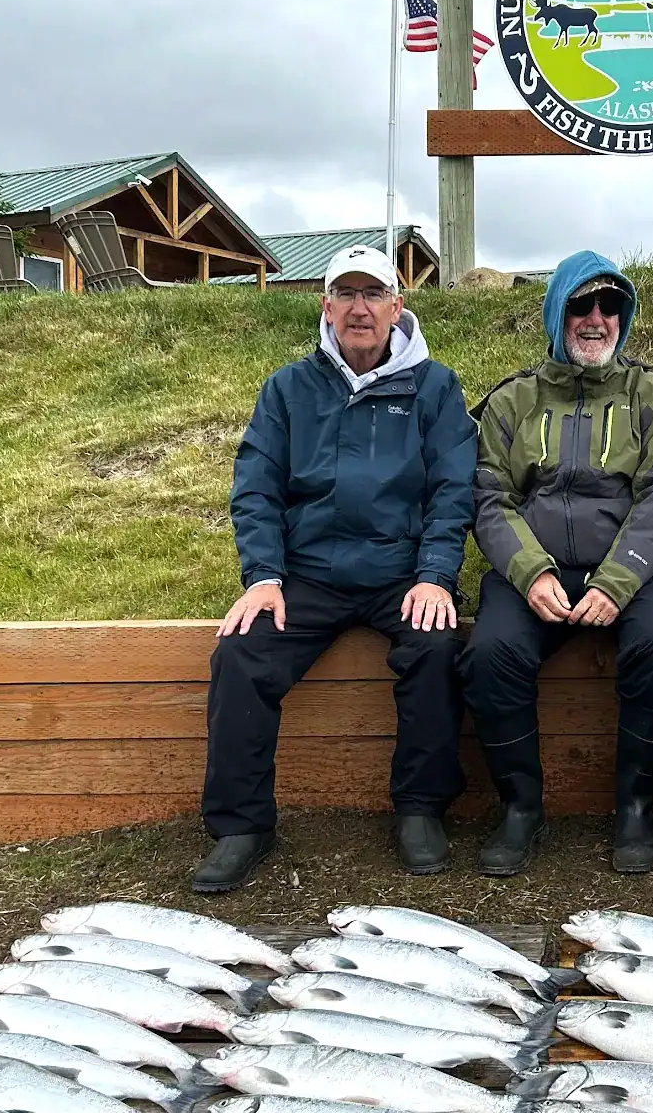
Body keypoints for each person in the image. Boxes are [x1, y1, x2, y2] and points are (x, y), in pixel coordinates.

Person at [195, 244, 477, 892]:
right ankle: (241, 827)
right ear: (325, 307)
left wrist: (435, 574)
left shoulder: (434, 387)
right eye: (346, 294)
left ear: (397, 307)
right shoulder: (288, 388)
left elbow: (453, 489)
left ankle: (420, 808)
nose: (359, 308)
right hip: (307, 574)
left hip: (400, 571)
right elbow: (256, 488)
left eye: (373, 294)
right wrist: (263, 577)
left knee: (436, 647)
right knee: (240, 653)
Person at [461, 251, 653, 875]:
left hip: (632, 569)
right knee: (488, 655)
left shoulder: (652, 395)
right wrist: (530, 571)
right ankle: (520, 808)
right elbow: (489, 497)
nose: (596, 318)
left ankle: (637, 808)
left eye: (610, 305)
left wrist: (617, 582)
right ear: (555, 313)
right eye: (581, 305)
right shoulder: (512, 399)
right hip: (534, 570)